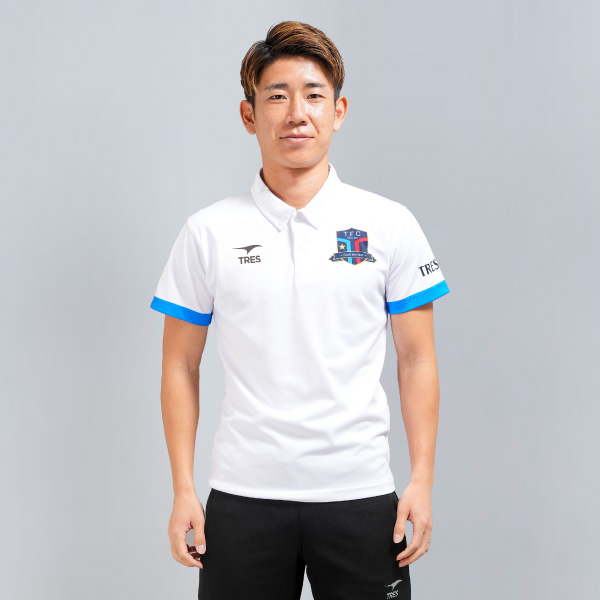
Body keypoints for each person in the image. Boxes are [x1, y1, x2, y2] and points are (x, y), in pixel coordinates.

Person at [150, 20, 450, 600]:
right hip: (243, 497)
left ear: (339, 111)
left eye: (313, 95)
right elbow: (179, 365)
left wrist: (421, 479)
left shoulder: (390, 224)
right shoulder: (207, 232)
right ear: (248, 115)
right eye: (277, 96)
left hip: (360, 494)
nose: (296, 113)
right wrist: (184, 488)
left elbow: (417, 359)